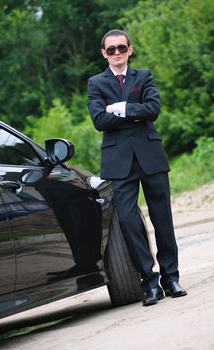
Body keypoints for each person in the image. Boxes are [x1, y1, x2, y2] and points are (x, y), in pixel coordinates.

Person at [87, 29, 187, 306]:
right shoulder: (96, 83)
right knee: (130, 223)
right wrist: (134, 110)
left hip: (150, 156)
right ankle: (149, 283)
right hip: (118, 164)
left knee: (162, 219)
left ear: (130, 49)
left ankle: (171, 277)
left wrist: (117, 108)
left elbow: (153, 109)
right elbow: (98, 120)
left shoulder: (144, 76)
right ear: (103, 53)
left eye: (121, 48)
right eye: (111, 50)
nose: (117, 53)